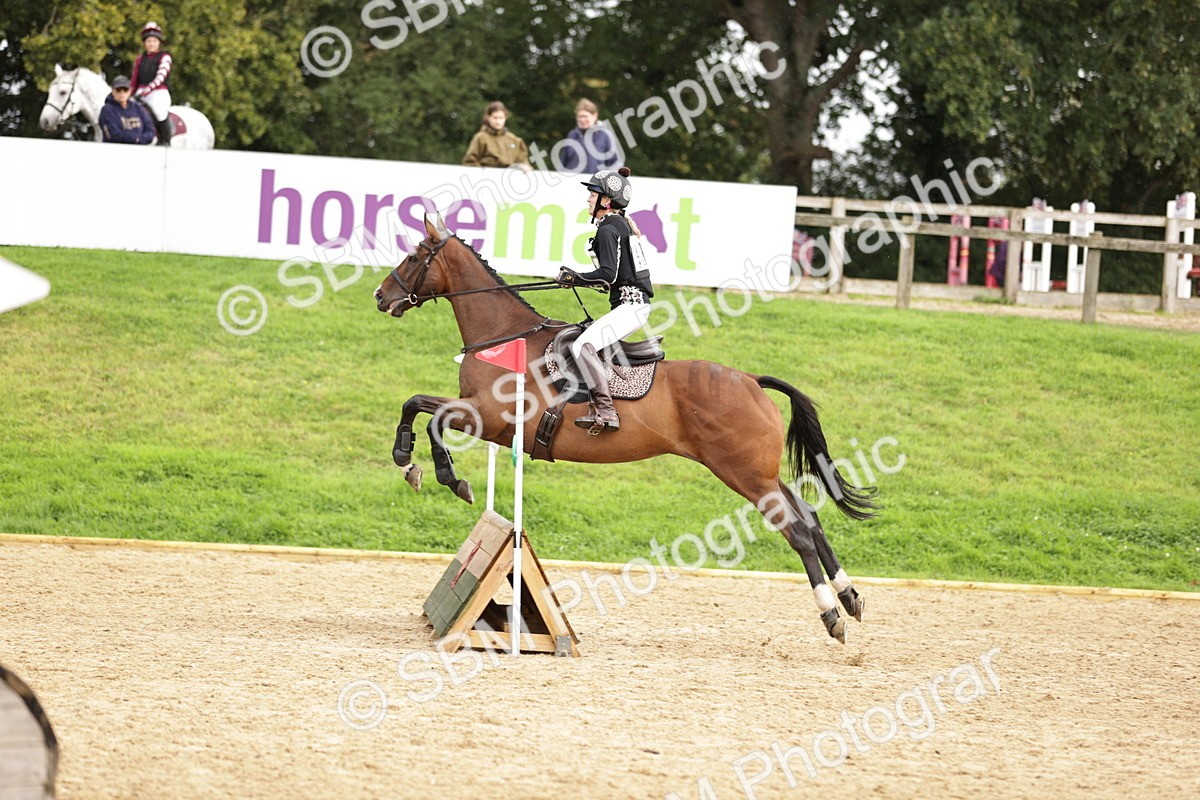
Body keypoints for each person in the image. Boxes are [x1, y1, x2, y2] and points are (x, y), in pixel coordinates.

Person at [555, 167, 655, 433]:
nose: (588, 198)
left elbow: (608, 275)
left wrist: (575, 278)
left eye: (592, 194)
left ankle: (606, 410)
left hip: (631, 306)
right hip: (633, 304)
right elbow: (613, 277)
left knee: (581, 345)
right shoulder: (618, 225)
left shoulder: (609, 229)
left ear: (606, 201)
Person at [130, 21, 174, 146]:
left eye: (154, 41)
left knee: (160, 112)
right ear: (145, 43)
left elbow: (160, 77)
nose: (151, 44)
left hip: (158, 92)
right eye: (149, 41)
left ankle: (165, 141)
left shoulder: (164, 57)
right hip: (140, 92)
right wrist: (130, 93)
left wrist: (147, 91)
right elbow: (134, 79)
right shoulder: (140, 58)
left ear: (158, 42)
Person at [461, 101, 531, 170]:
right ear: (488, 118)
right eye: (495, 118)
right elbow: (470, 162)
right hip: (487, 177)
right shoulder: (480, 138)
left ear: (505, 118)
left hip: (509, 178)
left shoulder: (514, 140)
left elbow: (523, 162)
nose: (498, 121)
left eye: (501, 118)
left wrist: (524, 167)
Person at [559, 98, 620, 174]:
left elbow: (614, 163)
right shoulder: (572, 135)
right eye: (580, 116)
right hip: (572, 182)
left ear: (595, 116)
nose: (582, 120)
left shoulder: (605, 135)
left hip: (595, 183)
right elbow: (563, 162)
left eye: (585, 116)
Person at [99, 75, 156, 145]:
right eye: (118, 89)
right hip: (114, 151)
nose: (122, 92)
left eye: (125, 89)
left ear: (129, 91)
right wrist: (135, 139)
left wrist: (139, 139)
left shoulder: (139, 109)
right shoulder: (107, 110)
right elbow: (113, 135)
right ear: (113, 91)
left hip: (139, 151)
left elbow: (151, 132)